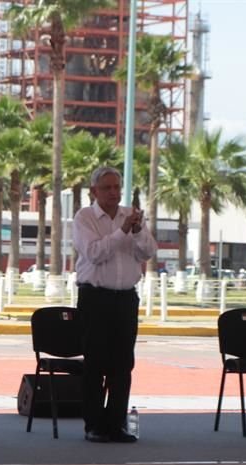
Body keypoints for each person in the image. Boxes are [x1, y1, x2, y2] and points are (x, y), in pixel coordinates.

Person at [72, 167, 157, 443]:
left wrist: (139, 230)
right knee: (96, 363)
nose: (113, 192)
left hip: (126, 299)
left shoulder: (130, 216)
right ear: (94, 191)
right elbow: (95, 253)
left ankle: (116, 423)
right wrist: (122, 232)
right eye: (107, 188)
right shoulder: (84, 218)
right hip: (95, 298)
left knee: (123, 364)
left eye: (117, 187)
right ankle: (94, 425)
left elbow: (148, 252)